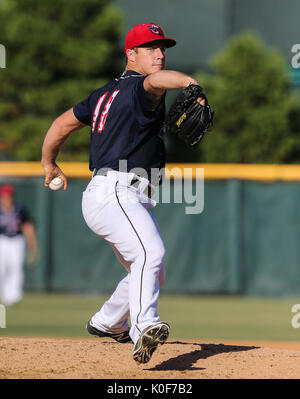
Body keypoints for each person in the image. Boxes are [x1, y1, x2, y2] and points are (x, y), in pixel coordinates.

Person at [41, 22, 206, 364]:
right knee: (152, 253)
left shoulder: (102, 94)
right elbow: (155, 81)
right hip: (116, 191)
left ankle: (107, 321)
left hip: (122, 195)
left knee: (149, 269)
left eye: (163, 48)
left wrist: (49, 163)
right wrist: (191, 83)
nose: (159, 54)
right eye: (150, 48)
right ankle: (144, 325)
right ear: (131, 54)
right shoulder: (140, 86)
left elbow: (61, 125)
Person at [0, 183, 38, 306]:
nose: (7, 198)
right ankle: (3, 294)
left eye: (9, 196)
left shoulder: (20, 209)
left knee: (16, 267)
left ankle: (13, 297)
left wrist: (32, 245)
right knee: (1, 268)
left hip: (16, 240)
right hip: (2, 240)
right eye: (5, 196)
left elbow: (28, 227)